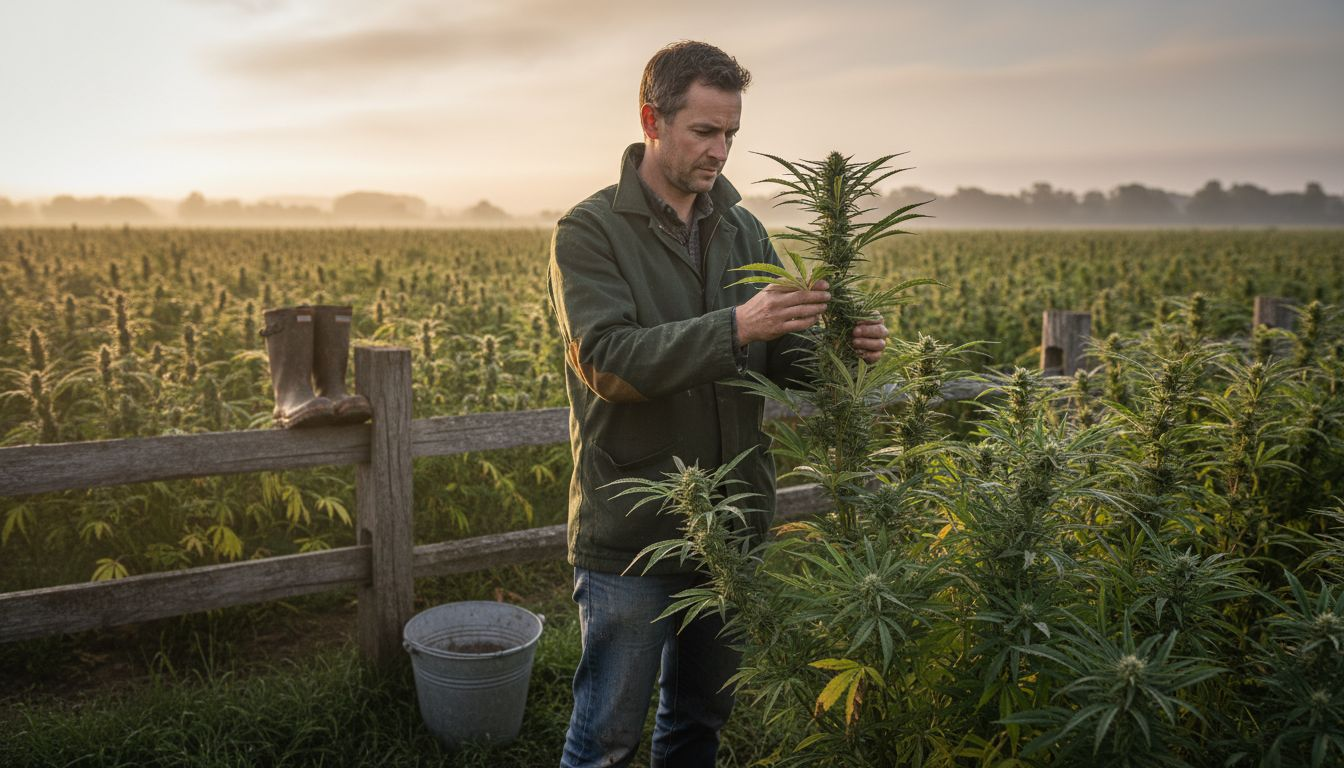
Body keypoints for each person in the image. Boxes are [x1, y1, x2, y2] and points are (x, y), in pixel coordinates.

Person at [547, 40, 888, 767]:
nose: (721, 150)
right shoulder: (590, 231)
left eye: (731, 132)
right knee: (606, 737)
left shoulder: (742, 228)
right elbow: (608, 360)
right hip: (634, 530)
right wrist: (735, 326)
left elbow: (777, 355)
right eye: (705, 131)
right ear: (652, 120)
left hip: (732, 522)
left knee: (698, 722)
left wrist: (842, 350)